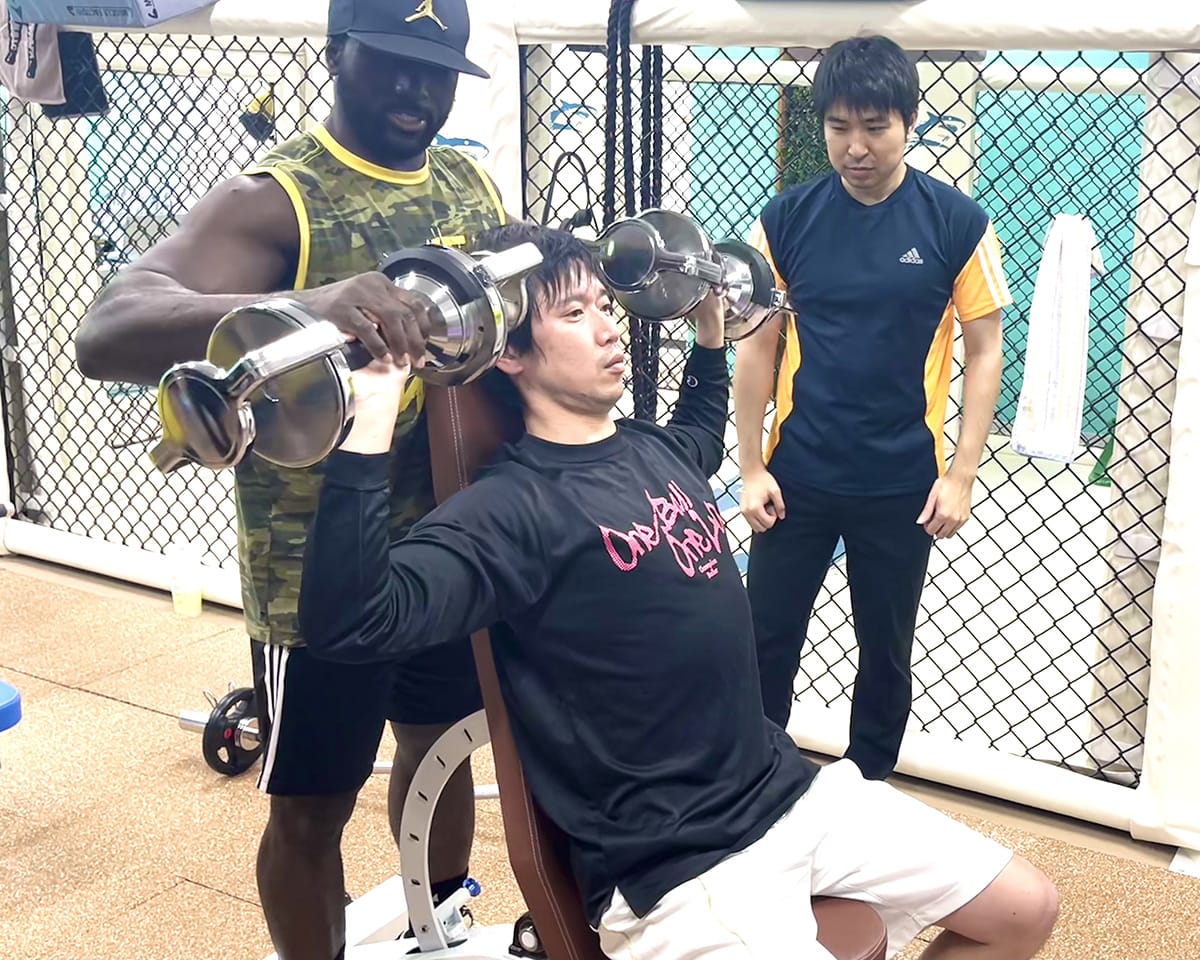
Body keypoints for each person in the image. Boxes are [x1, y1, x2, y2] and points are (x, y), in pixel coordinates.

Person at [297, 221, 1056, 960]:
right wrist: (375, 403)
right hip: (683, 866)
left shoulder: (648, 449)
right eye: (574, 314)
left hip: (784, 790)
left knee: (1025, 910)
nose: (609, 329)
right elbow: (354, 621)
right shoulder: (511, 508)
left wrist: (711, 336)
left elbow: (698, 430)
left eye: (606, 305)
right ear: (511, 353)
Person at [73, 2, 507, 958]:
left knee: (439, 749)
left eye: (436, 70)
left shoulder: (468, 181)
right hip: (316, 573)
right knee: (312, 803)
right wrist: (303, 304)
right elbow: (106, 332)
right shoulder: (275, 198)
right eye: (391, 62)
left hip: (447, 540)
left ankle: (438, 926)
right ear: (337, 54)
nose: (417, 90)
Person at [733, 35, 1009, 780]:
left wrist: (962, 475)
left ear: (910, 122)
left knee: (885, 649)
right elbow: (756, 346)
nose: (856, 147)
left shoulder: (957, 222)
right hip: (797, 474)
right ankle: (755, 781)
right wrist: (750, 466)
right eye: (839, 127)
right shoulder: (785, 220)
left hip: (902, 481)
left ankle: (867, 787)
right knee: (764, 640)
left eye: (875, 127)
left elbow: (986, 349)